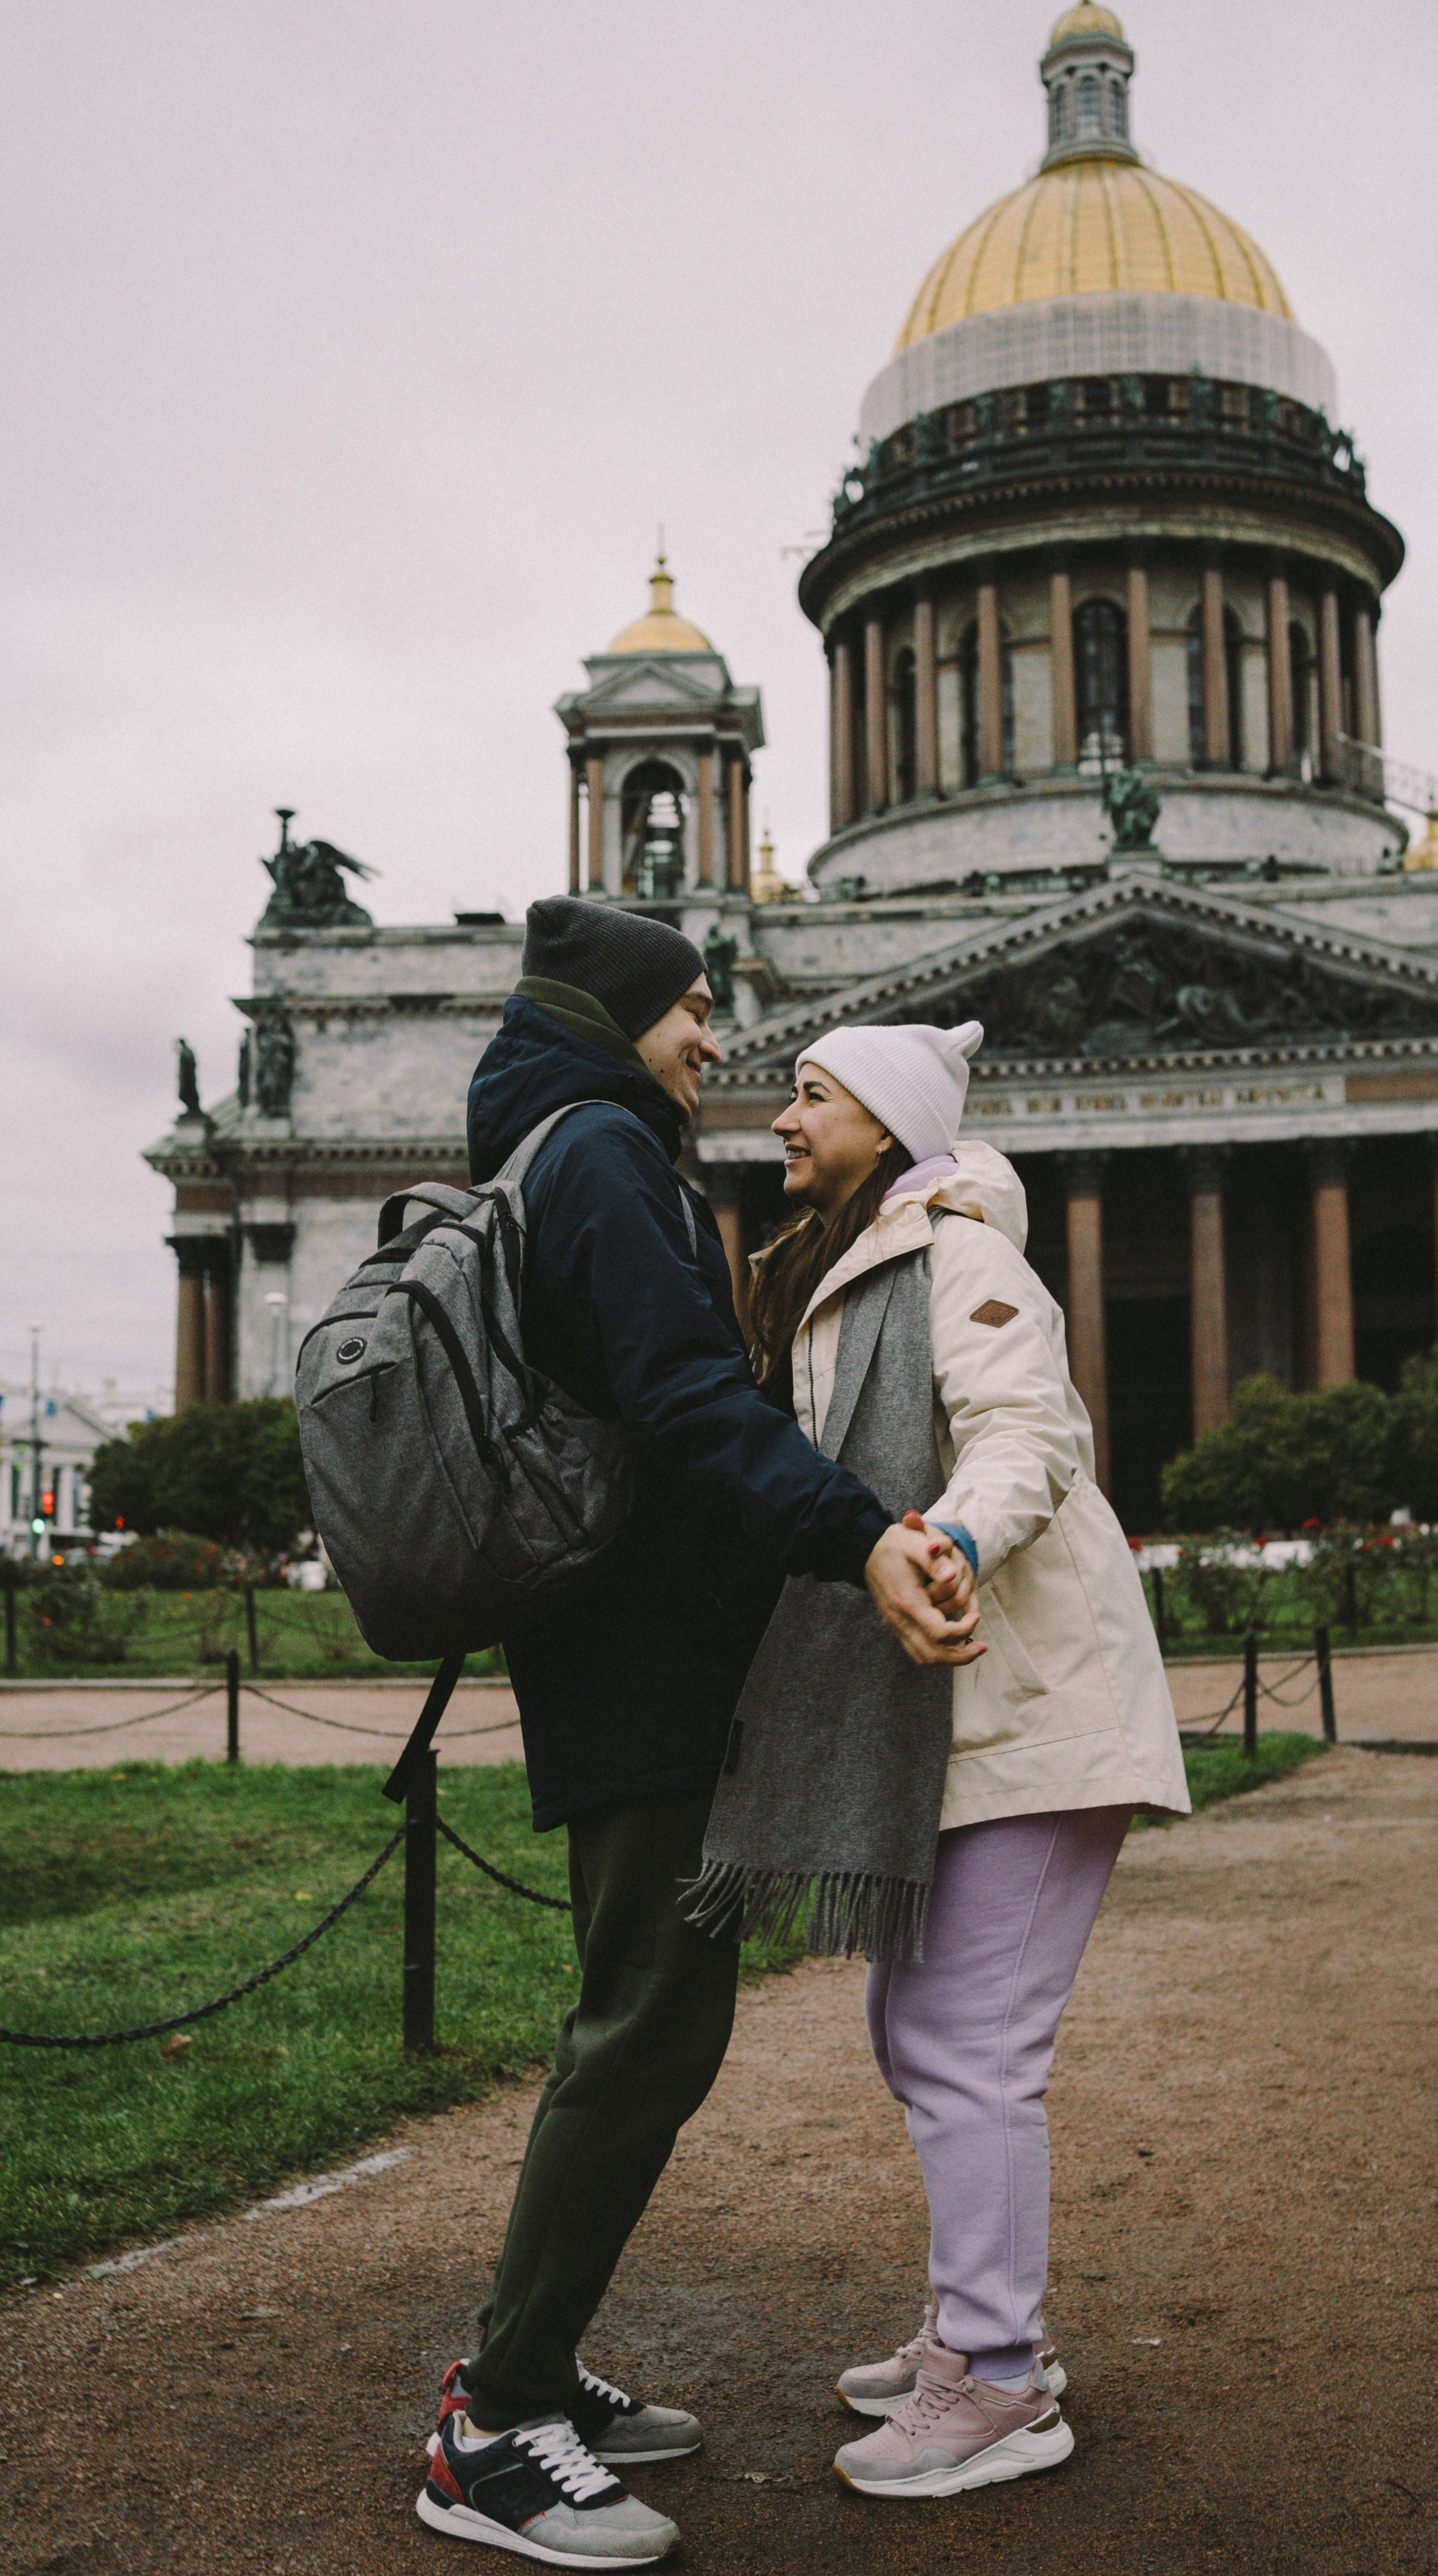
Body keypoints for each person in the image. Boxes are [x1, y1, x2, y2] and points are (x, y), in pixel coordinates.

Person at [418, 902, 977, 2568]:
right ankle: (494, 2428)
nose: (714, 1034)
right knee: (646, 2024)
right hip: (640, 1648)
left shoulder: (574, 1138)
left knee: (644, 2015)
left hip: (627, 1642)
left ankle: (526, 2373)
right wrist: (855, 1526)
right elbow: (679, 1402)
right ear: (621, 1012)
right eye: (693, 1005)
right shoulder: (597, 1151)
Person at [696, 1017, 1189, 2504]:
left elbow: (1024, 1441)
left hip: (1031, 1704)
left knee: (970, 2047)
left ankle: (997, 2378)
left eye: (811, 1095)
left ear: (890, 1125)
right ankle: (966, 2336)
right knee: (914, 2032)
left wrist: (945, 1543)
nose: (780, 1118)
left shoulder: (961, 1257)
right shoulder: (851, 1266)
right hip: (960, 1718)